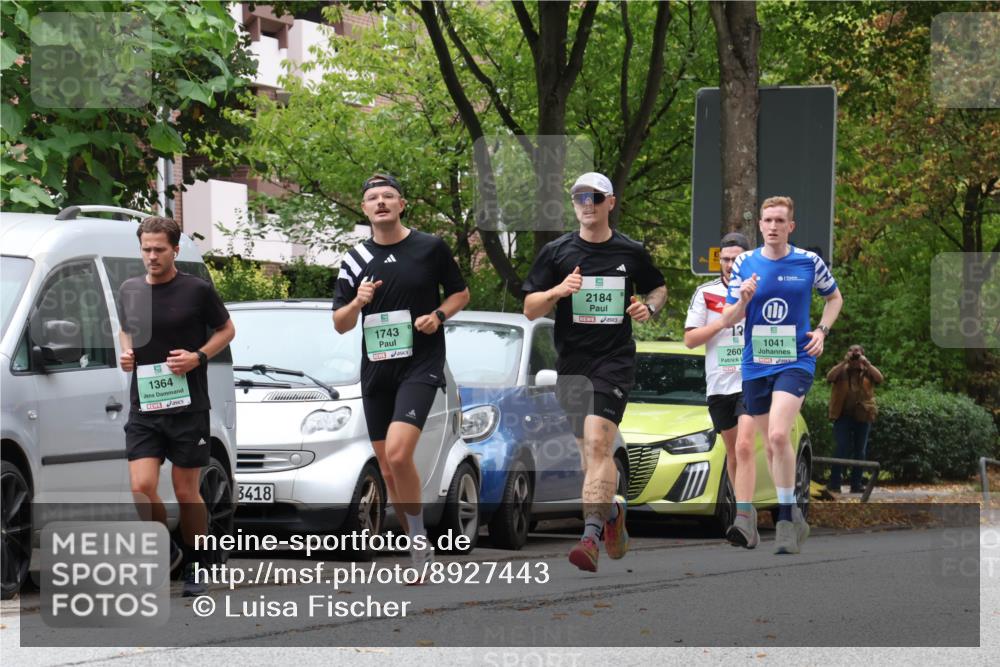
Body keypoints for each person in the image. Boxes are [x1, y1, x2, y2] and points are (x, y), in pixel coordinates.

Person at [523, 172, 667, 572]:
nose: (587, 203)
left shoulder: (631, 250)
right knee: (588, 452)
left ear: (610, 203)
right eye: (580, 197)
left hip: (613, 360)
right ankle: (612, 512)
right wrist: (557, 291)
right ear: (574, 204)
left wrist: (648, 308)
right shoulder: (556, 252)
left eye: (595, 197)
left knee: (599, 444)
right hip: (571, 363)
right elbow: (530, 308)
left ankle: (588, 538)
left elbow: (658, 287)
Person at [333, 173, 469, 575]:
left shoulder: (429, 247)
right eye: (372, 197)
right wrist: (357, 302)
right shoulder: (355, 258)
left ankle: (416, 541)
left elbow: (461, 292)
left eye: (388, 196)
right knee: (388, 466)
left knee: (397, 452)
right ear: (364, 208)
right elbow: (340, 323)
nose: (381, 202)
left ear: (401, 204)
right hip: (376, 371)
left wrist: (439, 315)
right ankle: (414, 533)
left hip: (420, 365)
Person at [118, 216, 236, 596]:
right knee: (141, 487)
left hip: (187, 407)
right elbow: (125, 328)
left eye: (159, 249)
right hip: (145, 407)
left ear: (175, 251)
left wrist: (198, 357)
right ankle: (164, 546)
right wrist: (126, 352)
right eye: (146, 249)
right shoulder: (130, 289)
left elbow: (227, 330)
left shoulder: (196, 290)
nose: (151, 256)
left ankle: (197, 563)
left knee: (187, 493)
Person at [720, 196, 843, 555]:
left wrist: (821, 331)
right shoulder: (744, 262)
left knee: (777, 434)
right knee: (773, 447)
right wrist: (742, 299)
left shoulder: (808, 262)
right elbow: (729, 318)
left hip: (796, 360)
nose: (773, 226)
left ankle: (787, 518)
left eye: (780, 220)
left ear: (791, 226)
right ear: (759, 225)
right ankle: (794, 516)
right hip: (756, 363)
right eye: (767, 220)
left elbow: (834, 298)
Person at [684, 231, 759, 547]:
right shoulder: (706, 293)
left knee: (744, 446)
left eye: (735, 259)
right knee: (732, 452)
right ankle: (748, 517)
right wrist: (722, 322)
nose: (729, 264)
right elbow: (690, 340)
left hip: (752, 379)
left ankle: (741, 518)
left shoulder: (762, 289)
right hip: (719, 383)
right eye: (724, 259)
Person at [826, 344, 883, 493]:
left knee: (860, 451)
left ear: (863, 354)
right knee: (840, 448)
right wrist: (844, 362)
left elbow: (880, 378)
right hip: (842, 415)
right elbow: (829, 377)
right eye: (851, 350)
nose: (854, 353)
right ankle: (834, 483)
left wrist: (867, 363)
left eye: (857, 351)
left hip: (863, 415)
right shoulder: (841, 370)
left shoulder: (867, 371)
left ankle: (856, 484)